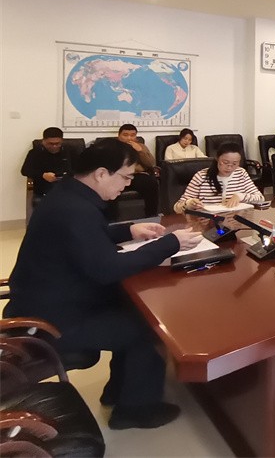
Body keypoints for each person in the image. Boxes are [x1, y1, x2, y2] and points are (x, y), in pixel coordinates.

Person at [4, 140, 202, 430]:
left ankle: (118, 392)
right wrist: (170, 243)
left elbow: (85, 237)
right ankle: (135, 411)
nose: (128, 184)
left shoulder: (68, 194)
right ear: (100, 173)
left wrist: (129, 230)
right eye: (126, 176)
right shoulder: (76, 209)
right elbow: (108, 269)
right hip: (51, 320)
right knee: (146, 328)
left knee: (131, 310)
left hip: (46, 300)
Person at [174, 142, 264, 213]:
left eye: (234, 163)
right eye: (225, 162)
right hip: (207, 222)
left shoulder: (241, 173)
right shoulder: (201, 176)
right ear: (217, 158)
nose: (229, 167)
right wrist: (189, 203)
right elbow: (177, 207)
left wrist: (240, 196)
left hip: (234, 221)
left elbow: (260, 198)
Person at [115, 124, 158, 217]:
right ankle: (112, 218)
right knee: (109, 186)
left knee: (151, 183)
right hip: (118, 176)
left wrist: (140, 151)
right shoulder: (113, 147)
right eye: (125, 135)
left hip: (136, 176)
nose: (129, 138)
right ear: (119, 136)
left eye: (132, 135)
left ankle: (151, 215)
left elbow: (151, 164)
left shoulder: (141, 146)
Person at [20, 126, 71, 201]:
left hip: (67, 190)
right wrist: (43, 175)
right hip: (43, 191)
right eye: (50, 144)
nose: (54, 146)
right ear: (43, 141)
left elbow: (79, 169)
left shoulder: (69, 152)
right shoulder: (35, 153)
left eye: (57, 143)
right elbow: (25, 170)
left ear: (62, 141)